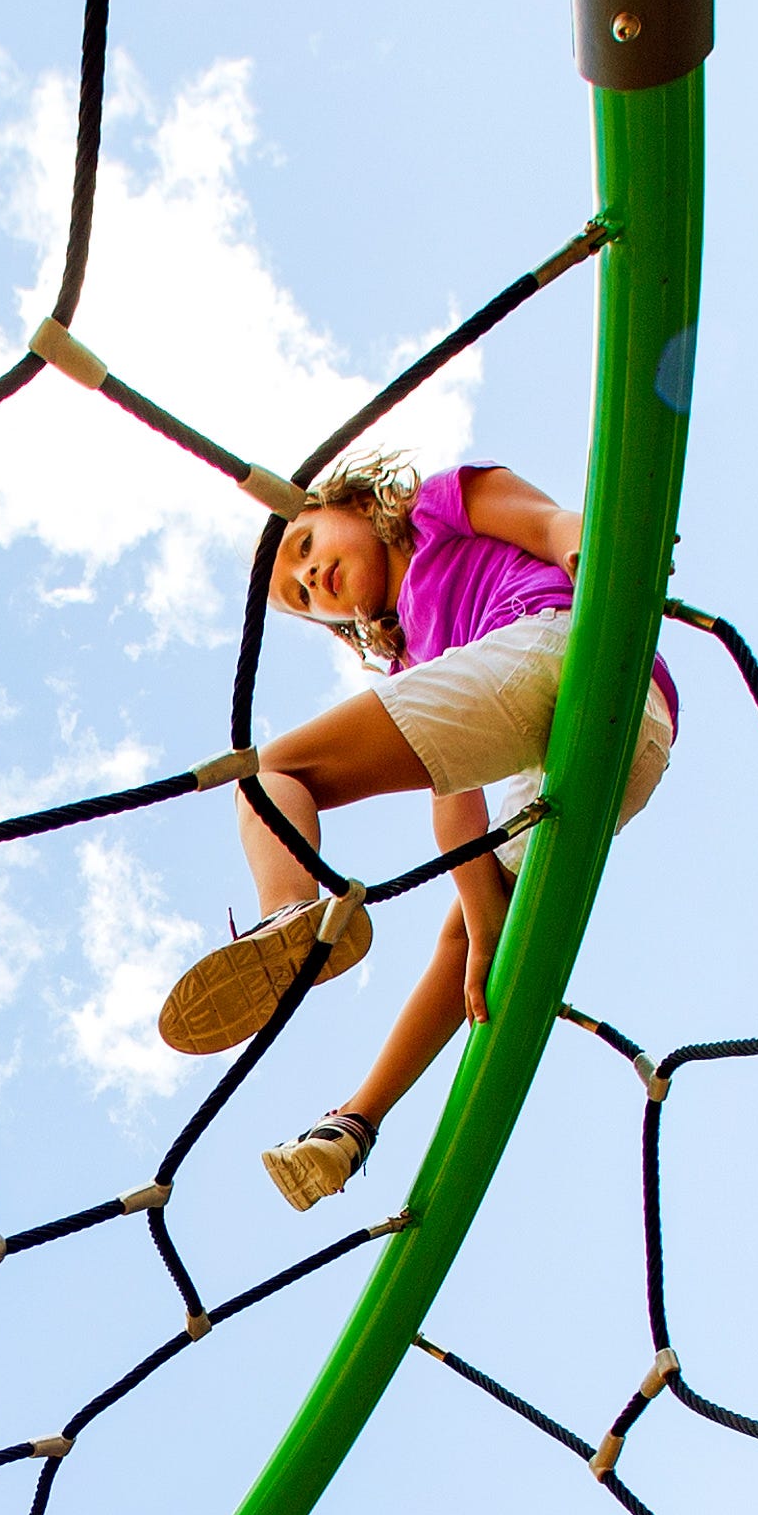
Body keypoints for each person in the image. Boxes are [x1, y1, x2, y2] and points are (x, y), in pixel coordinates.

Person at [153, 455, 680, 1207]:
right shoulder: (414, 655)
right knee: (464, 937)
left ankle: (294, 915)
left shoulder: (438, 509)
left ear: (354, 506)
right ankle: (352, 1126)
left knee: (267, 776)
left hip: (566, 642)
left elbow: (549, 521)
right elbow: (453, 798)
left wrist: (597, 555)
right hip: (631, 744)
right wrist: (481, 915)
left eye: (305, 547)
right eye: (300, 596)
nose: (312, 580)